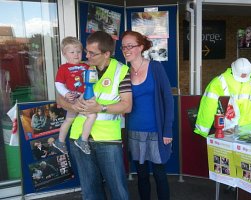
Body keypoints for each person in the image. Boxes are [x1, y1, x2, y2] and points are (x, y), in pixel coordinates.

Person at [57, 31, 132, 200]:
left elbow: (127, 106)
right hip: (78, 137)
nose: (86, 56)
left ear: (107, 54)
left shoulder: (121, 71)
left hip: (107, 139)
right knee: (90, 191)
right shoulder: (80, 67)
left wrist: (100, 107)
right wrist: (72, 105)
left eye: (92, 53)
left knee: (118, 189)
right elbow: (59, 99)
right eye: (86, 52)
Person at [121, 30, 174, 200]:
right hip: (134, 132)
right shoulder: (123, 73)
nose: (126, 50)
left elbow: (168, 100)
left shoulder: (155, 67)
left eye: (130, 46)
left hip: (156, 131)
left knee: (159, 174)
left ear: (141, 47)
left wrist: (167, 130)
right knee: (142, 176)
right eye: (123, 47)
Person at [194, 57, 251, 138]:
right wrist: (203, 129)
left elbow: (208, 106)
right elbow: (208, 105)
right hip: (239, 129)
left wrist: (203, 129)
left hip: (233, 129)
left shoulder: (219, 82)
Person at [54, 36, 97, 154]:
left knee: (73, 118)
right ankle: (65, 141)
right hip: (73, 98)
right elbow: (58, 84)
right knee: (73, 119)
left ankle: (64, 141)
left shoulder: (85, 66)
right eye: (72, 52)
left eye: (78, 52)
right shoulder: (63, 68)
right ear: (64, 54)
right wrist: (66, 93)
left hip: (84, 96)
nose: (76, 55)